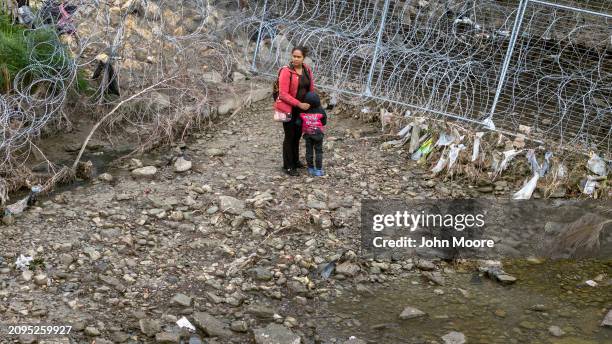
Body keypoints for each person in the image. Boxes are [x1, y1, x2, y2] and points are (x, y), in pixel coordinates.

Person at [274, 46, 315, 176]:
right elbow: (283, 94)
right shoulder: (286, 71)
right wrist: (299, 104)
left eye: (299, 57)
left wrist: (311, 103)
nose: (296, 59)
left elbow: (311, 89)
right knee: (289, 136)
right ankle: (288, 166)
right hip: (289, 109)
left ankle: (296, 160)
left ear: (304, 58)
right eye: (294, 56)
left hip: (302, 109)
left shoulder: (307, 70)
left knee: (297, 135)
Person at [299, 92, 327, 176]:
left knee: (309, 151)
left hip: (308, 134)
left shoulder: (304, 110)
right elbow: (324, 122)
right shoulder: (321, 110)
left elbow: (299, 122)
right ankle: (318, 170)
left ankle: (310, 168)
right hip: (318, 134)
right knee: (318, 151)